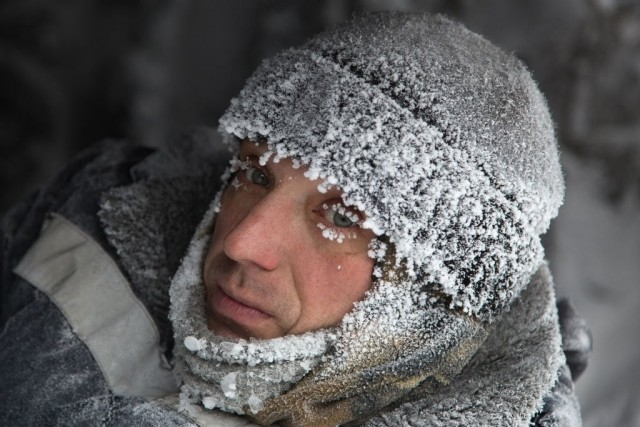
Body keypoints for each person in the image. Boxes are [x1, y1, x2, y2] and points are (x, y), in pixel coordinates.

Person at [0, 12, 590, 426]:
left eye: (339, 215)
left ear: (432, 304)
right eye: (254, 174)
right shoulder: (88, 213)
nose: (241, 241)